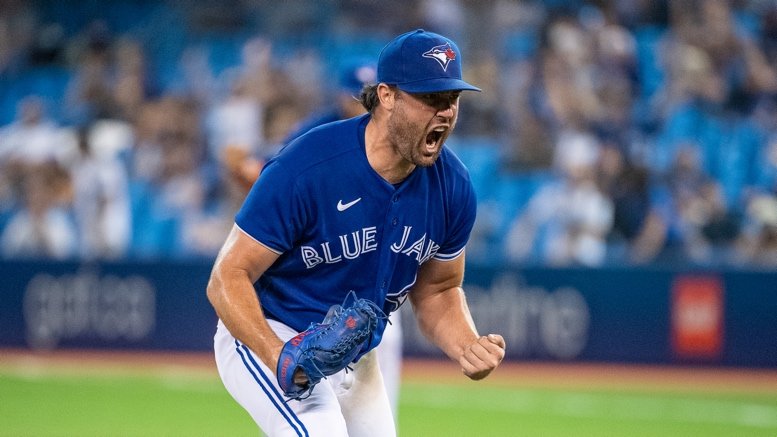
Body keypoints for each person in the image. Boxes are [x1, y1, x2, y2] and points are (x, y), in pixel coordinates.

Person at [206, 29, 506, 436]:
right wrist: (279, 356)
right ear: (387, 96)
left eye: (451, 99)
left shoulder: (452, 187)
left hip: (354, 354)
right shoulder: (308, 167)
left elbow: (439, 290)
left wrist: (466, 344)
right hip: (270, 330)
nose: (446, 112)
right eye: (430, 99)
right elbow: (226, 278)